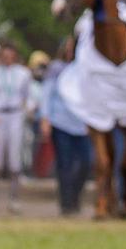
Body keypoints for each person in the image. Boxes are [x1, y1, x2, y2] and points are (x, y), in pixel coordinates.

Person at [0, 41, 33, 211]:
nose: (8, 58)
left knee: (15, 156)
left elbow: (29, 95)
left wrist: (28, 109)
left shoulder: (23, 73)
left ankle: (14, 197)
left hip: (15, 115)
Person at [38, 46, 91, 215]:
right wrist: (45, 118)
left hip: (83, 124)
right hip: (60, 122)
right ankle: (67, 202)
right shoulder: (56, 69)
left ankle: (75, 195)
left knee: (85, 163)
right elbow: (46, 94)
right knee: (64, 164)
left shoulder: (87, 68)